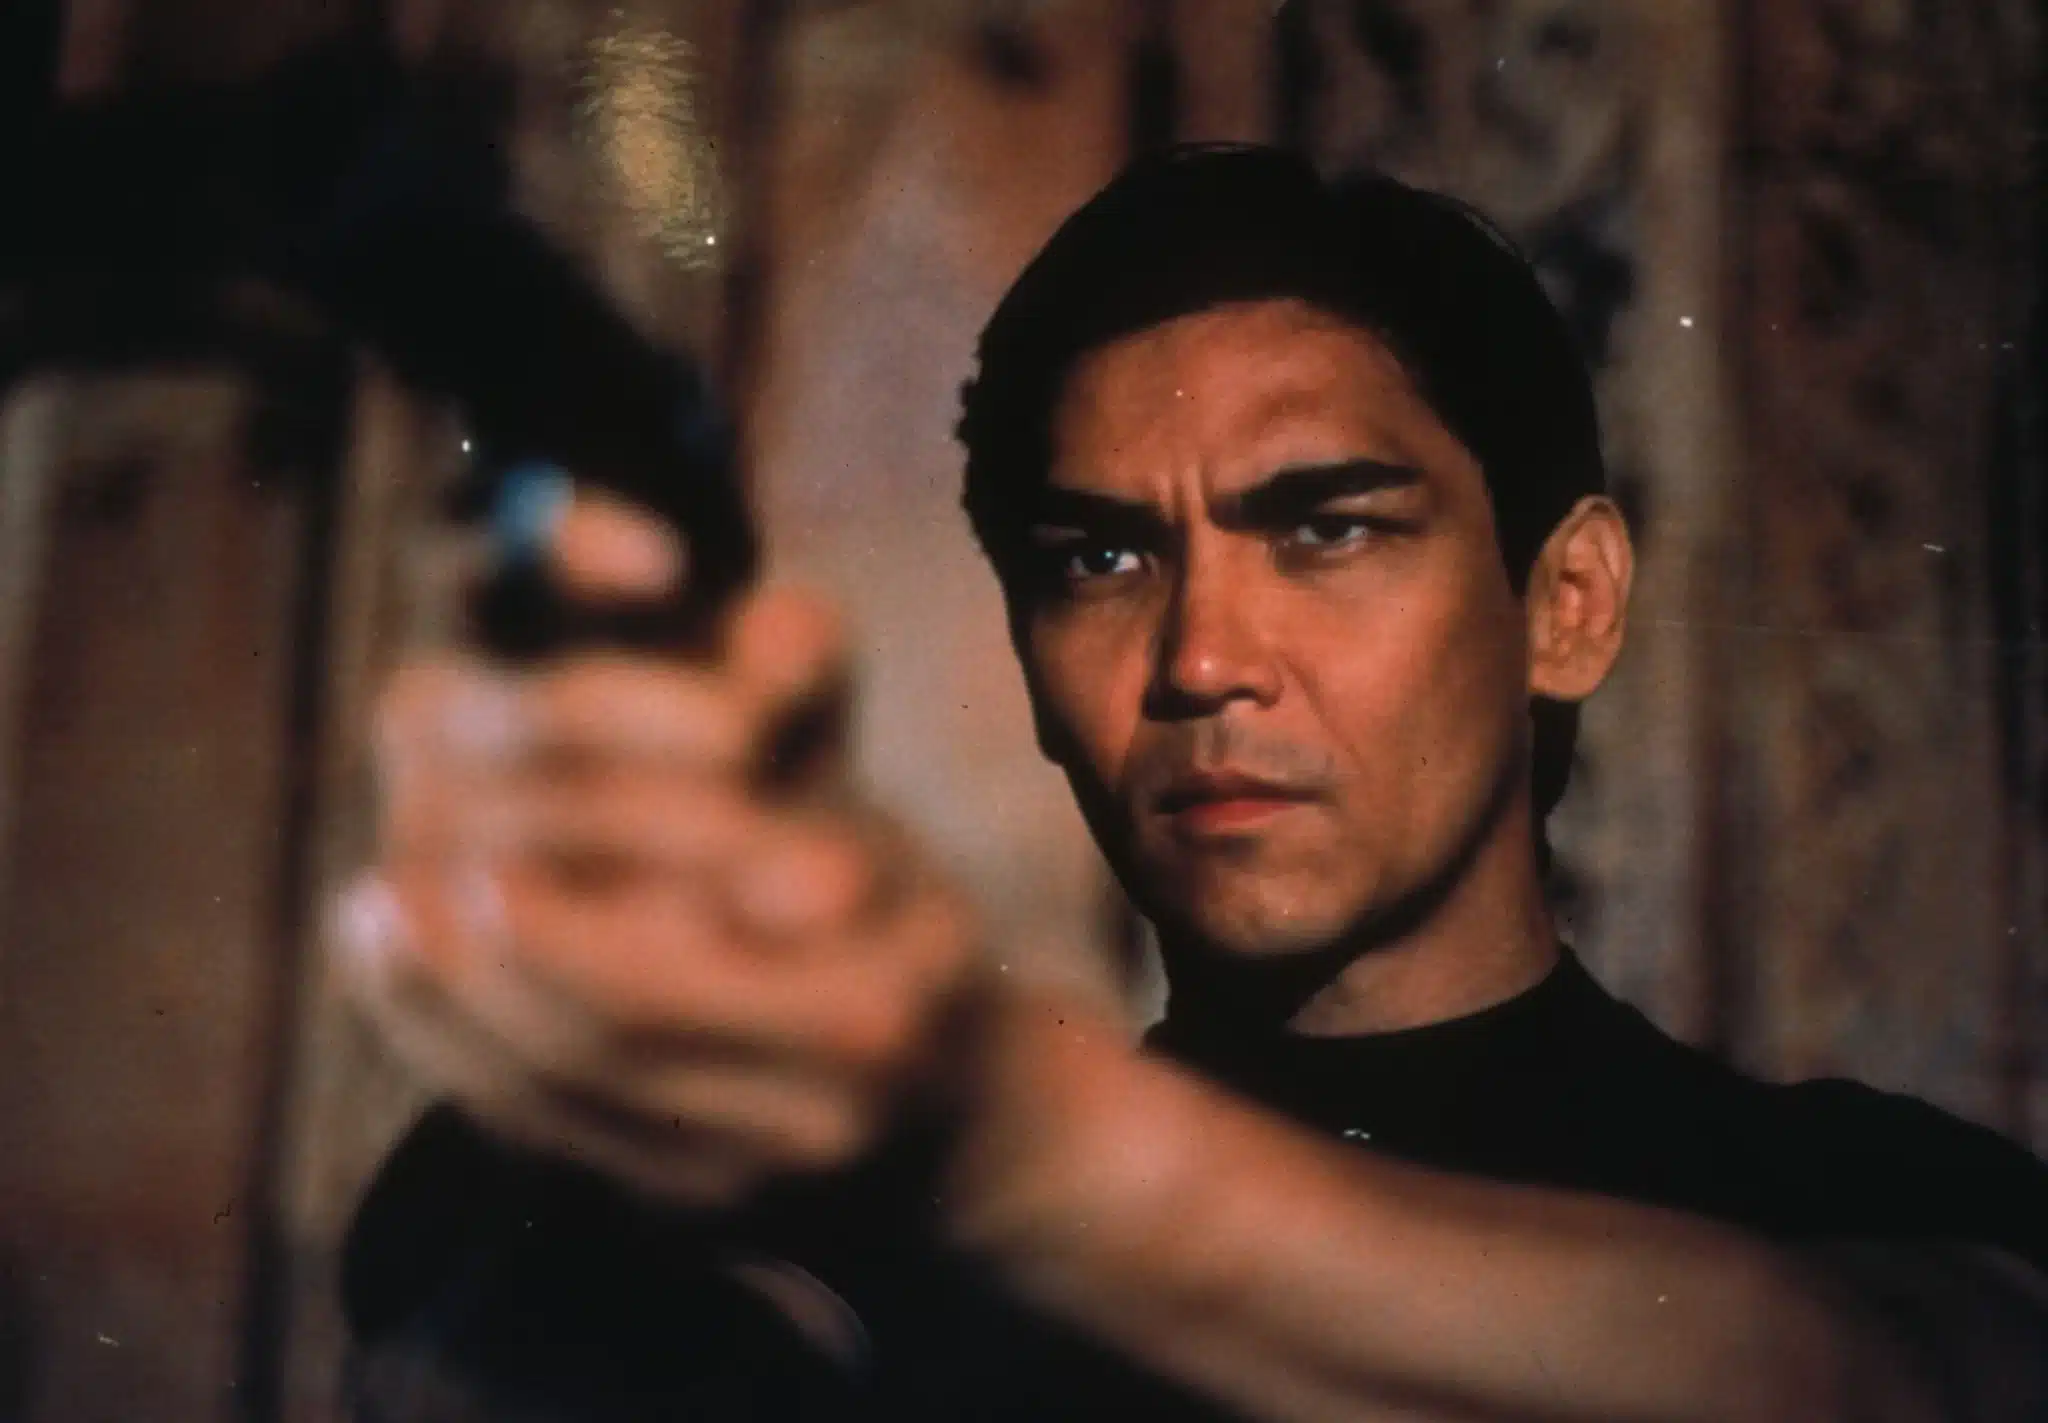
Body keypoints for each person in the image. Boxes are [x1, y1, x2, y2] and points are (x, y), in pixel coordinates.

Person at [335, 144, 2048, 1422]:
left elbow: (1888, 1387)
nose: (1202, 657)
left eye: (1327, 529)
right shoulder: (845, 1267)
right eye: (1099, 561)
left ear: (1568, 602)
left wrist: (1008, 1128)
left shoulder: (1865, 1199)